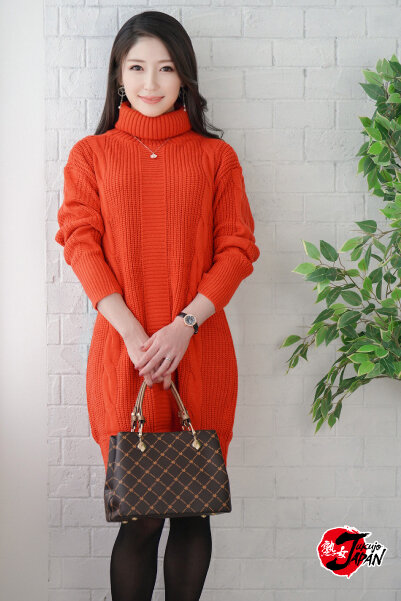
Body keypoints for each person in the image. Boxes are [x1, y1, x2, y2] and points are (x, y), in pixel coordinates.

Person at [54, 10, 260, 601]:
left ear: (184, 76)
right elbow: (80, 243)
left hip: (201, 350)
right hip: (124, 356)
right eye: (137, 68)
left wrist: (184, 327)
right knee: (140, 515)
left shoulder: (216, 157)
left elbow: (238, 249)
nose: (151, 82)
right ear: (118, 76)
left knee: (194, 510)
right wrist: (133, 335)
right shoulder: (91, 154)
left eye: (166, 69)